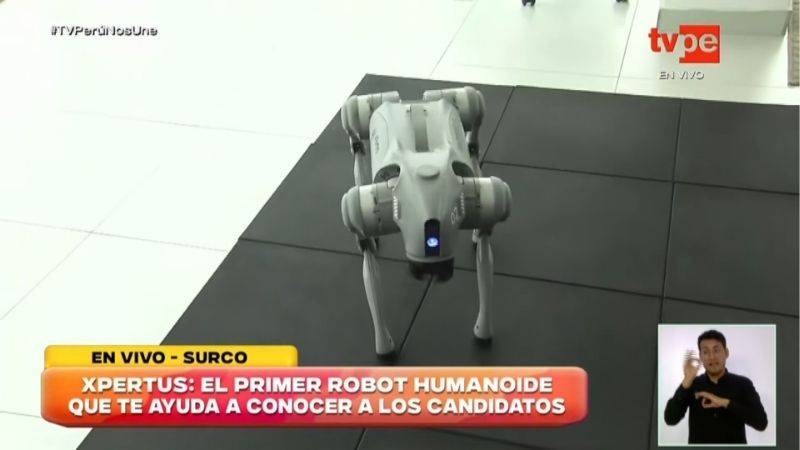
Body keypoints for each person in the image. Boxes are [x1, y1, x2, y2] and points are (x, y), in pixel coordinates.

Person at [664, 329, 768, 444]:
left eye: (716, 350)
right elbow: (670, 419)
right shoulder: (693, 384)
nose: (712, 357)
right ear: (700, 357)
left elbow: (761, 423)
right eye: (706, 352)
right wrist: (686, 381)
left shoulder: (743, 384)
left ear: (726, 353)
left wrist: (726, 403)